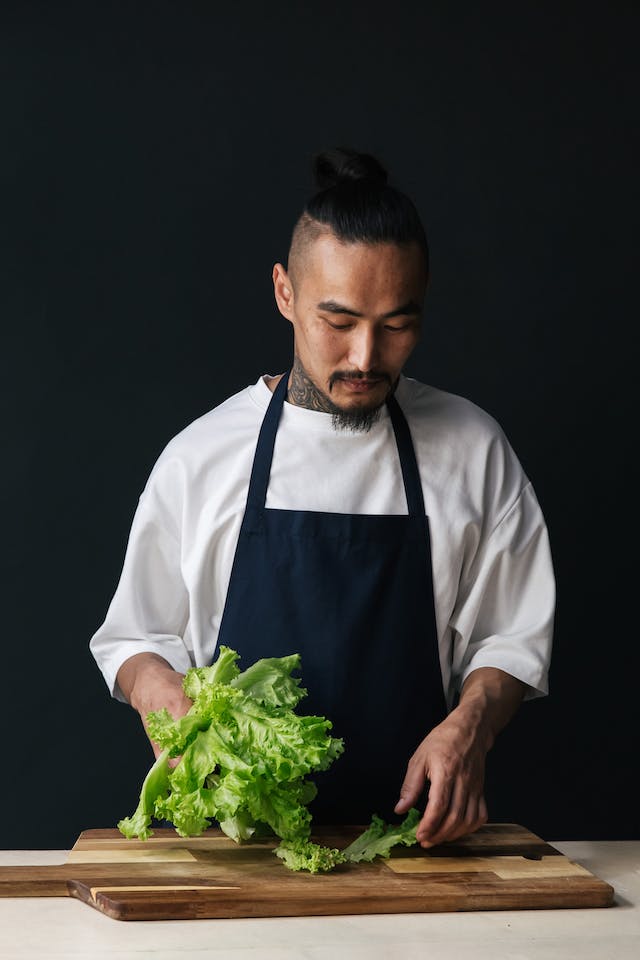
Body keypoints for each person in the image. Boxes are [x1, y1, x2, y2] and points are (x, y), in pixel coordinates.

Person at [90, 147, 555, 848]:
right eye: (338, 322)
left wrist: (471, 727)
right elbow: (132, 637)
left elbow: (511, 638)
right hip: (239, 853)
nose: (367, 356)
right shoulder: (203, 456)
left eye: (397, 325)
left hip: (418, 849)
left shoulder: (473, 449)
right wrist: (161, 693)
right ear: (285, 293)